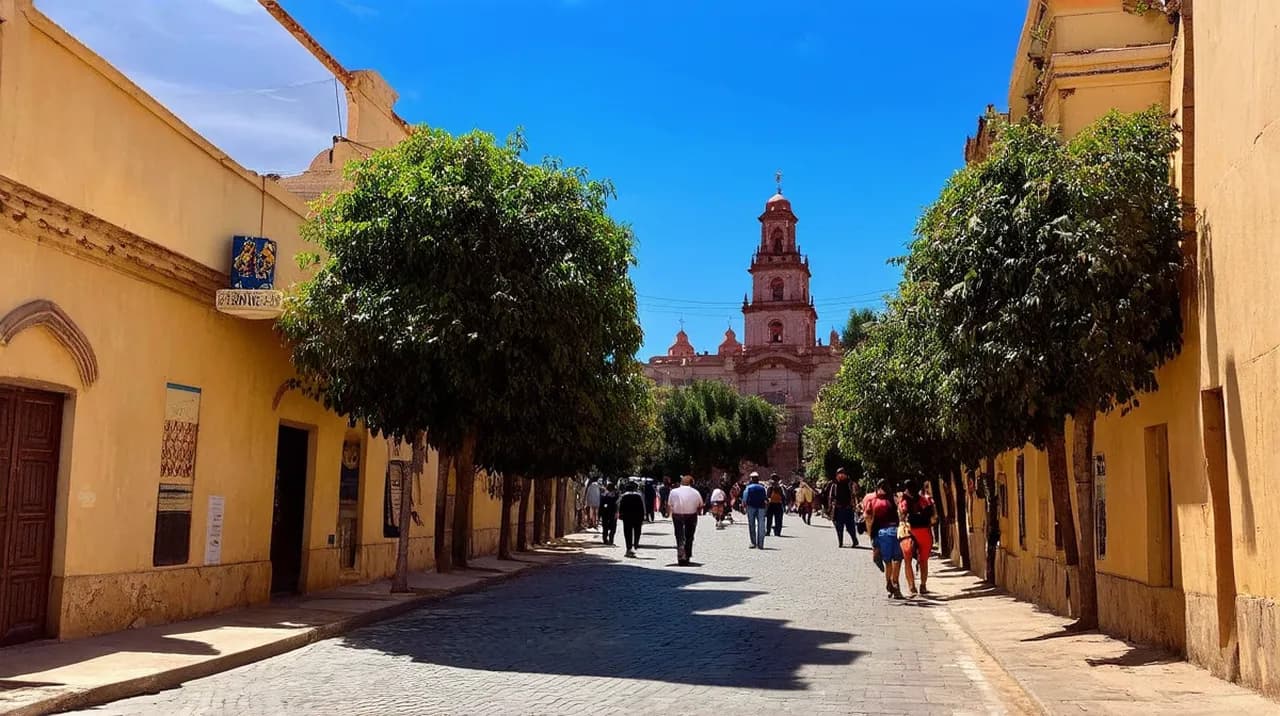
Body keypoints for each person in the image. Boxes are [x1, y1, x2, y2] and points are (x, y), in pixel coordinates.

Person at [865, 478, 904, 599]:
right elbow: (901, 514)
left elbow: (868, 519)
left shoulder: (872, 500)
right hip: (894, 531)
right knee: (897, 560)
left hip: (881, 534)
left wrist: (871, 536)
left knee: (887, 562)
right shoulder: (893, 499)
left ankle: (889, 584)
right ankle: (895, 584)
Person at [899, 479, 936, 596]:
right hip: (925, 532)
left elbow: (902, 513)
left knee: (908, 560)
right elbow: (933, 516)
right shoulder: (925, 500)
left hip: (910, 531)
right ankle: (923, 586)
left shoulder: (904, 500)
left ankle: (911, 586)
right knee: (924, 561)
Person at [669, 475, 704, 565]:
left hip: (677, 515)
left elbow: (670, 504)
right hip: (691, 516)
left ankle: (680, 555)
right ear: (692, 483)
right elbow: (700, 505)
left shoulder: (673, 492)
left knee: (679, 535)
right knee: (689, 536)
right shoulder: (695, 492)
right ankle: (687, 554)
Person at [830, 468, 859, 548]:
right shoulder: (834, 485)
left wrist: (855, 505)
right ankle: (840, 542)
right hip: (838, 509)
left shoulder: (850, 484)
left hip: (848, 509)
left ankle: (854, 540)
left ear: (846, 475)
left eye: (842, 473)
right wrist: (830, 507)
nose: (841, 475)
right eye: (839, 474)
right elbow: (831, 497)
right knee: (839, 527)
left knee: (850, 527)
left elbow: (855, 495)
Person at [618, 481, 646, 557]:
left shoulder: (624, 496)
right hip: (637, 517)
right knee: (637, 532)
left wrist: (620, 515)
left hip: (627, 517)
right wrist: (643, 516)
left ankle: (629, 548)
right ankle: (635, 545)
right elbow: (642, 507)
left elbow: (621, 507)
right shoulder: (638, 496)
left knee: (627, 533)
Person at [742, 472, 769, 549]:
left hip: (751, 507)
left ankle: (753, 543)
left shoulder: (748, 487)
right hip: (761, 507)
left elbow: (745, 497)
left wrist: (744, 506)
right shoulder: (762, 488)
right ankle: (761, 544)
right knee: (761, 525)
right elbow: (765, 498)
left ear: (751, 479)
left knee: (752, 524)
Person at [598, 481, 619, 546]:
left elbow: (601, 505)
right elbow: (617, 505)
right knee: (613, 527)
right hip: (612, 512)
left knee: (605, 527)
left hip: (605, 513)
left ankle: (605, 539)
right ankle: (611, 539)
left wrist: (599, 514)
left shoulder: (603, 495)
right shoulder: (616, 495)